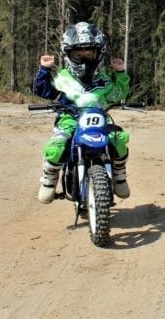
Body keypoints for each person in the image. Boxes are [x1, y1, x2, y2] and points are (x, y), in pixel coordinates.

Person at [33, 22, 131, 204]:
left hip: (99, 121)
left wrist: (120, 73)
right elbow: (43, 91)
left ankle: (119, 173)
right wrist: (44, 70)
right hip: (69, 120)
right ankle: (50, 176)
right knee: (57, 145)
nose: (84, 59)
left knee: (119, 139)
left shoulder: (104, 80)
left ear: (98, 53)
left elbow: (119, 93)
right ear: (69, 54)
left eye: (88, 54)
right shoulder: (63, 78)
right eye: (78, 55)